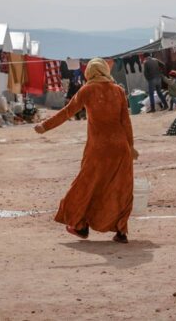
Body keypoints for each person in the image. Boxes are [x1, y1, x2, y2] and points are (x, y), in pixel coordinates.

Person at [34, 58, 139, 244]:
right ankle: (121, 231)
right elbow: (126, 122)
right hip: (120, 148)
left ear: (89, 72)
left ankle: (80, 226)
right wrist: (130, 147)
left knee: (85, 186)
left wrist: (44, 126)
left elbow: (67, 112)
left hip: (98, 149)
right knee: (120, 188)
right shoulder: (119, 91)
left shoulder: (87, 90)